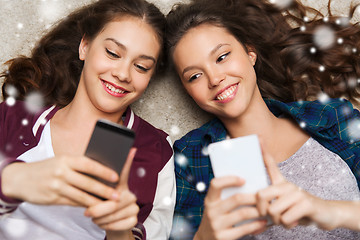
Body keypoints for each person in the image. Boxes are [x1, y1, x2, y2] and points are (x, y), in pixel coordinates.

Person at [166, 0, 360, 239]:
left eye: (222, 57)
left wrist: (328, 210)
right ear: (188, 91)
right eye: (195, 76)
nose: (215, 78)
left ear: (250, 53)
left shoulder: (332, 118)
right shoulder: (192, 157)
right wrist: (205, 235)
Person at [0, 0, 175, 239]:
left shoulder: (156, 153)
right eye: (113, 53)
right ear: (84, 46)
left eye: (141, 67)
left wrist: (118, 229)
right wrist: (10, 182)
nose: (123, 74)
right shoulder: (11, 117)